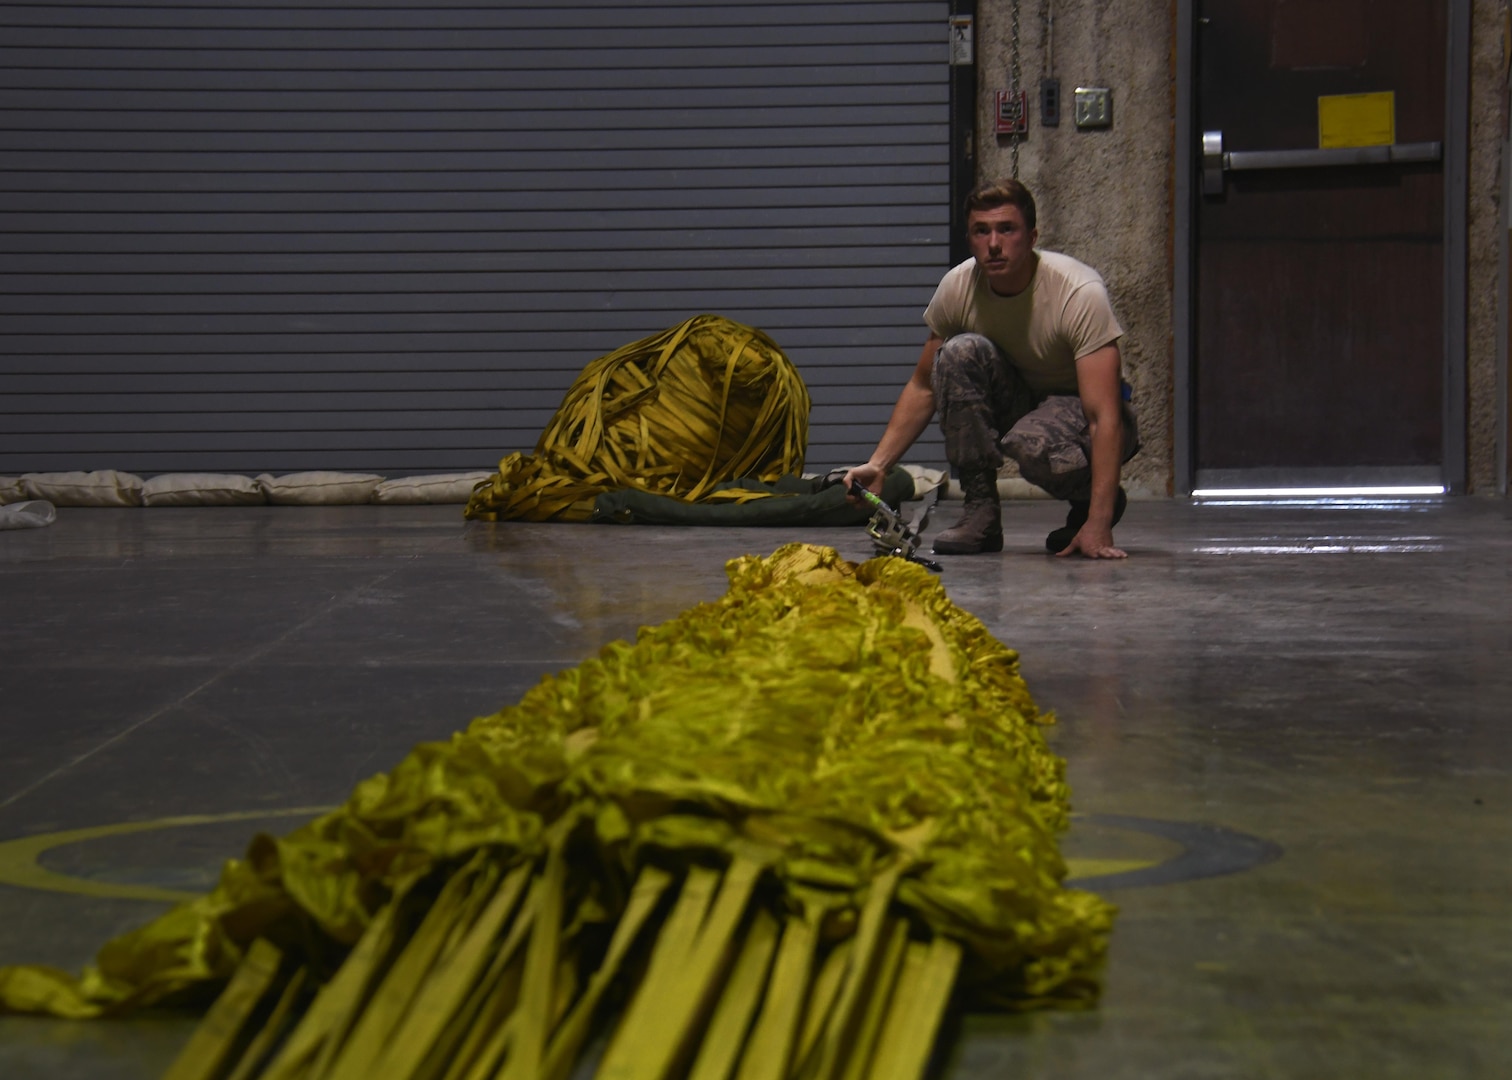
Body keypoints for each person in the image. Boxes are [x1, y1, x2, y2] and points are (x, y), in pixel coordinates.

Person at [844, 178, 1140, 559]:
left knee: (1033, 442)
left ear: (1031, 236)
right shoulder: (958, 287)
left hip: (1084, 413)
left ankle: (1095, 504)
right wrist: (879, 464)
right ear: (970, 239)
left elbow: (1104, 416)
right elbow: (923, 386)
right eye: (981, 231)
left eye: (1007, 229)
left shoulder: (1078, 291)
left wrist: (1099, 523)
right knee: (955, 353)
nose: (994, 243)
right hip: (1023, 404)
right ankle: (981, 512)